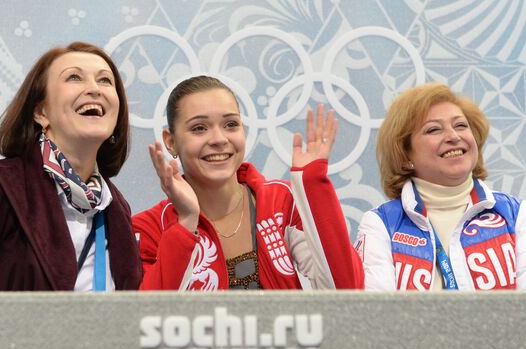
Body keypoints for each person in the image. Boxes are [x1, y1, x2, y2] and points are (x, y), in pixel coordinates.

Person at [133, 75, 363, 290]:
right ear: (170, 141)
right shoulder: (149, 228)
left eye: (230, 124)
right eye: (199, 128)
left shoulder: (282, 202)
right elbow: (146, 317)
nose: (219, 139)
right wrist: (186, 223)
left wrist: (313, 185)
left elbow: (346, 291)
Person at [0, 42, 141, 291]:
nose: (95, 89)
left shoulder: (115, 207)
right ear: (41, 112)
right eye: (74, 77)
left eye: (105, 81)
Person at [356, 82, 526, 291]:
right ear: (405, 155)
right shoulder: (381, 224)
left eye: (461, 126)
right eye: (434, 129)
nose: (454, 137)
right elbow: (374, 313)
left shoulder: (517, 215)